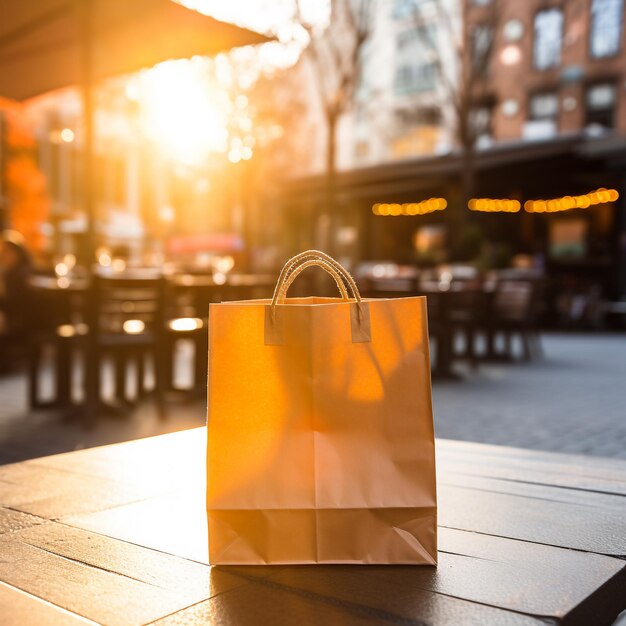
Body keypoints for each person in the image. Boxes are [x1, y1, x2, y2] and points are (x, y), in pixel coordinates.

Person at [0, 231, 33, 371]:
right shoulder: (8, 272)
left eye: (7, 252)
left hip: (19, 317)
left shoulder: (21, 274)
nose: (4, 255)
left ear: (17, 253)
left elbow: (16, 303)